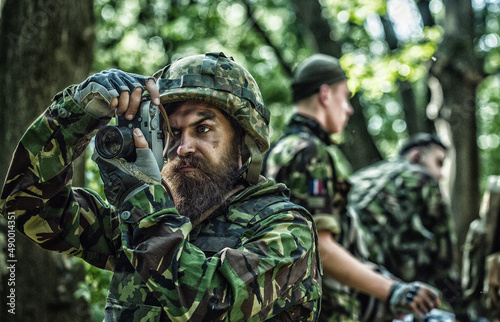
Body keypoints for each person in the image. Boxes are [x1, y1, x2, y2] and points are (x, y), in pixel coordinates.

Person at [0, 52, 322, 321]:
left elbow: (210, 303)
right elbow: (25, 203)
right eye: (174, 132)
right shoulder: (148, 220)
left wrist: (142, 203)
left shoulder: (288, 231)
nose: (183, 147)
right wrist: (75, 113)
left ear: (244, 145)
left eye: (204, 128)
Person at [262, 53, 441, 321]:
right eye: (345, 97)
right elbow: (318, 247)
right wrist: (394, 291)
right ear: (325, 94)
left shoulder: (278, 150)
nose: (349, 109)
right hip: (323, 309)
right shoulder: (310, 153)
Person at [348, 133, 467, 319]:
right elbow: (445, 256)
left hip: (336, 263)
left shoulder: (369, 174)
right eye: (439, 162)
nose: (440, 174)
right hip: (365, 269)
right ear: (416, 156)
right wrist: (463, 313)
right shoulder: (421, 178)